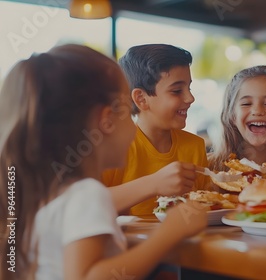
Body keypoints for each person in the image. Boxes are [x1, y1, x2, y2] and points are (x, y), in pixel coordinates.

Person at [0, 44, 207, 280]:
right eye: (128, 113)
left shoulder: (49, 193)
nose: (133, 125)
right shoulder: (87, 194)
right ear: (107, 121)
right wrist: (168, 234)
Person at [102, 44, 211, 216]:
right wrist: (154, 183)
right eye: (176, 91)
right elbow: (88, 205)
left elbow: (207, 204)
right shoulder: (115, 148)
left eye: (189, 88)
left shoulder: (195, 146)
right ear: (141, 98)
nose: (190, 98)